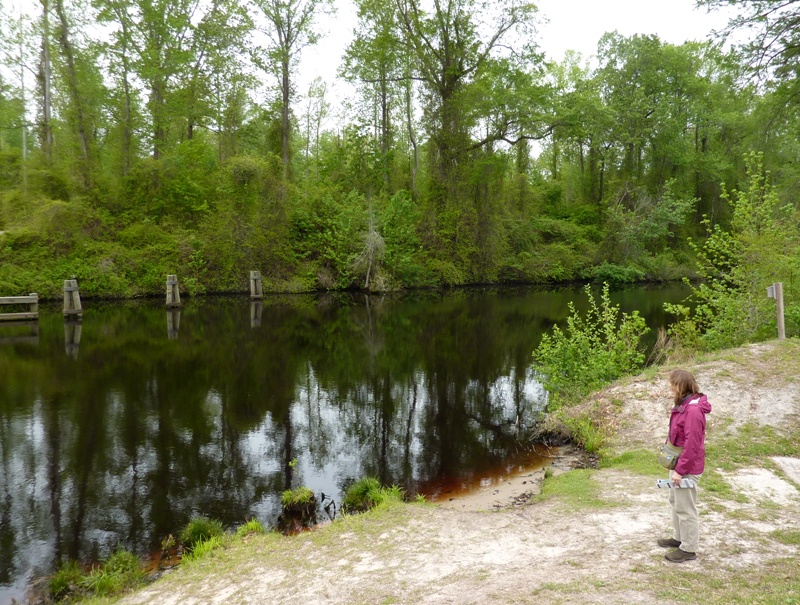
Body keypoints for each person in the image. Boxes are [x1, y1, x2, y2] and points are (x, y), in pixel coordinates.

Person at [658, 369, 712, 562]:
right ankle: (679, 538)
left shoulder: (693, 410)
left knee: (686, 506)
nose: (670, 388)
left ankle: (689, 548)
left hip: (687, 466)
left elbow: (692, 444)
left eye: (672, 384)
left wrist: (680, 471)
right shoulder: (685, 404)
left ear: (680, 385)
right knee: (675, 501)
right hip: (679, 462)